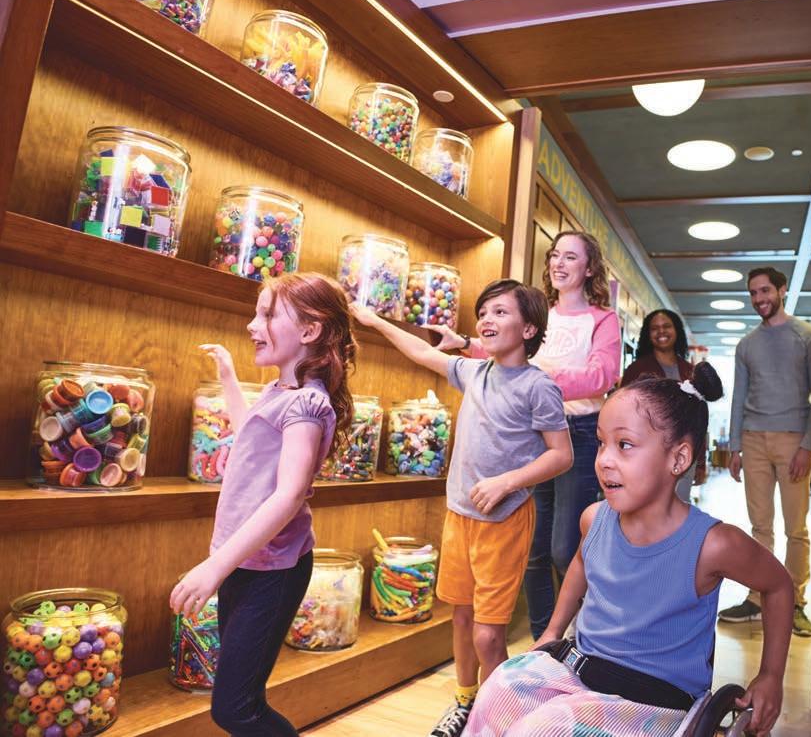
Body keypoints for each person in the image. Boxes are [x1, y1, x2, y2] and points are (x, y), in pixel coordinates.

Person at [465, 363, 793, 737]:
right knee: (498, 687)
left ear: (678, 459)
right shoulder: (594, 519)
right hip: (581, 673)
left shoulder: (713, 544)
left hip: (655, 702)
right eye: (601, 443)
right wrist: (551, 632)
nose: (604, 459)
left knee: (543, 730)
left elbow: (778, 585)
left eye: (624, 445)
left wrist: (771, 676)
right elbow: (581, 564)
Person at [352, 279, 574, 737]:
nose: (487, 320)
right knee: (461, 616)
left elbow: (562, 455)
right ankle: (466, 701)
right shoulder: (474, 372)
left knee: (488, 635)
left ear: (529, 329)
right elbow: (422, 352)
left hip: (504, 521)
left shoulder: (538, 387)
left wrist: (507, 482)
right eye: (484, 312)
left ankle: (497, 719)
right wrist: (373, 321)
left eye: (500, 312)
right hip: (459, 517)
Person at [170, 273, 356, 736]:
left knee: (236, 709)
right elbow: (250, 436)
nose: (253, 325)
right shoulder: (280, 393)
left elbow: (289, 496)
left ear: (310, 330)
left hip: (272, 571)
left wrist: (214, 567)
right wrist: (229, 378)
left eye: (268, 314)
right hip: (247, 561)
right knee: (239, 703)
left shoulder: (308, 406)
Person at [429, 231, 620, 640]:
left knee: (564, 548)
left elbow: (602, 376)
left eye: (571, 257)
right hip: (526, 433)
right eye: (555, 255)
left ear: (589, 268)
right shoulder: (537, 313)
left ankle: (582, 637)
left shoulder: (602, 319)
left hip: (578, 433)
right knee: (534, 551)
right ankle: (542, 644)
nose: (559, 263)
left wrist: (537, 380)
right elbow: (504, 354)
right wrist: (466, 343)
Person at [717, 266, 811, 638]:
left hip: (793, 440)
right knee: (760, 526)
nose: (759, 299)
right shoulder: (747, 345)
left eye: (765, 290)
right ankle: (757, 597)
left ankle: (795, 603)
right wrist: (735, 447)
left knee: (796, 528)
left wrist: (808, 446)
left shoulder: (808, 337)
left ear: (781, 290)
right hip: (753, 440)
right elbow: (739, 398)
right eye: (753, 293)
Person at [621, 308, 706, 501]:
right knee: (646, 507)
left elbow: (699, 418)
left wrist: (700, 462)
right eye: (655, 328)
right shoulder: (636, 370)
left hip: (684, 452)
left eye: (667, 326)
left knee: (679, 506)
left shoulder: (690, 371)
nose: (661, 331)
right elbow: (622, 414)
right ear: (647, 334)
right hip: (646, 454)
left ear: (676, 331)